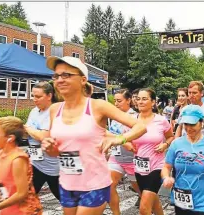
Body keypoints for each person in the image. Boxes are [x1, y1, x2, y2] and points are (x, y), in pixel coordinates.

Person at [41, 56, 147, 215]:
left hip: (94, 184)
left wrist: (119, 139)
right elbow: (55, 151)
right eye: (56, 76)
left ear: (83, 79)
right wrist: (49, 148)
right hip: (66, 183)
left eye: (66, 75)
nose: (59, 80)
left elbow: (140, 126)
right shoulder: (55, 109)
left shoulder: (97, 106)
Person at [161, 105, 204, 215]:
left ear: (202, 123)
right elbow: (166, 167)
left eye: (192, 124)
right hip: (181, 198)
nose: (189, 128)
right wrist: (166, 178)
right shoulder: (177, 144)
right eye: (186, 124)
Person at [133, 88, 175, 215]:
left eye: (144, 99)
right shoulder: (131, 120)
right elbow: (126, 138)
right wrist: (128, 144)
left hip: (157, 166)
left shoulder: (161, 120)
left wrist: (165, 145)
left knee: (144, 207)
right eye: (138, 98)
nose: (140, 101)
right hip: (139, 167)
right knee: (154, 201)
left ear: (153, 102)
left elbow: (171, 136)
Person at [0, 116, 43, 215]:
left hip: (24, 211)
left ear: (10, 138)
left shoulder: (18, 159)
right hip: (7, 207)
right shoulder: (0, 153)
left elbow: (21, 193)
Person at [24, 82, 60, 201]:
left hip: (54, 168)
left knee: (66, 201)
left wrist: (28, 129)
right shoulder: (34, 111)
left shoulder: (53, 111)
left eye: (38, 96)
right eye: (33, 96)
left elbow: (44, 136)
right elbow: (27, 134)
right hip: (36, 163)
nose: (34, 99)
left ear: (49, 96)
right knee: (27, 197)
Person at [107, 89, 141, 215]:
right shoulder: (114, 117)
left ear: (128, 101)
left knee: (141, 191)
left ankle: (150, 205)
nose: (116, 103)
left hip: (133, 160)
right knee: (109, 185)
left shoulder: (135, 117)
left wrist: (126, 142)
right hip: (116, 158)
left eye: (119, 101)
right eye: (115, 101)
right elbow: (111, 135)